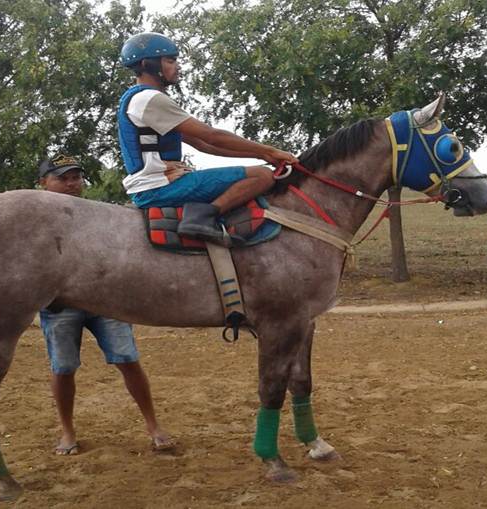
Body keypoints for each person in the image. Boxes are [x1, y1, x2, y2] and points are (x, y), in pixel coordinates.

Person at [38, 154, 174, 455]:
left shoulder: (96, 213)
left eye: (76, 177)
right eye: (63, 178)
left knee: (127, 359)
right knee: (63, 368)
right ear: (43, 183)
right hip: (59, 305)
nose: (72, 184)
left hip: (105, 301)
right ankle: (68, 431)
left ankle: (154, 426)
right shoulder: (35, 221)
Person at [117, 32, 298, 246]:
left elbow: (202, 144)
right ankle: (201, 217)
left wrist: (261, 154)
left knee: (260, 169)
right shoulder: (149, 99)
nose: (178, 66)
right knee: (262, 176)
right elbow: (212, 136)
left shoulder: (142, 99)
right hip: (159, 187)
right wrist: (269, 152)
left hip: (154, 185)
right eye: (170, 60)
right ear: (149, 64)